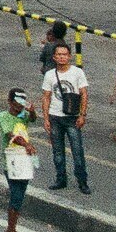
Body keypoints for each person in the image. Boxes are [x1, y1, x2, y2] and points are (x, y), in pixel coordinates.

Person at [42, 44, 92, 194]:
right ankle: (61, 179)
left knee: (77, 151)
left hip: (72, 117)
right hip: (55, 117)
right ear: (54, 57)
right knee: (57, 151)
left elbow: (84, 94)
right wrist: (45, 118)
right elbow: (46, 97)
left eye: (65, 54)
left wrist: (83, 115)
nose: (62, 57)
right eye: (59, 54)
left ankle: (82, 181)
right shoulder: (50, 75)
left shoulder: (77, 73)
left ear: (69, 56)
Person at [3, 112, 37, 232]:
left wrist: (32, 111)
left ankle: (13, 229)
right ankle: (10, 231)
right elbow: (10, 134)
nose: (19, 107)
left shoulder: (23, 116)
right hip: (10, 162)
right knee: (16, 196)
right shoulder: (4, 116)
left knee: (20, 195)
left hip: (24, 160)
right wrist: (26, 144)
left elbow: (33, 119)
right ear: (10, 102)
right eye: (16, 104)